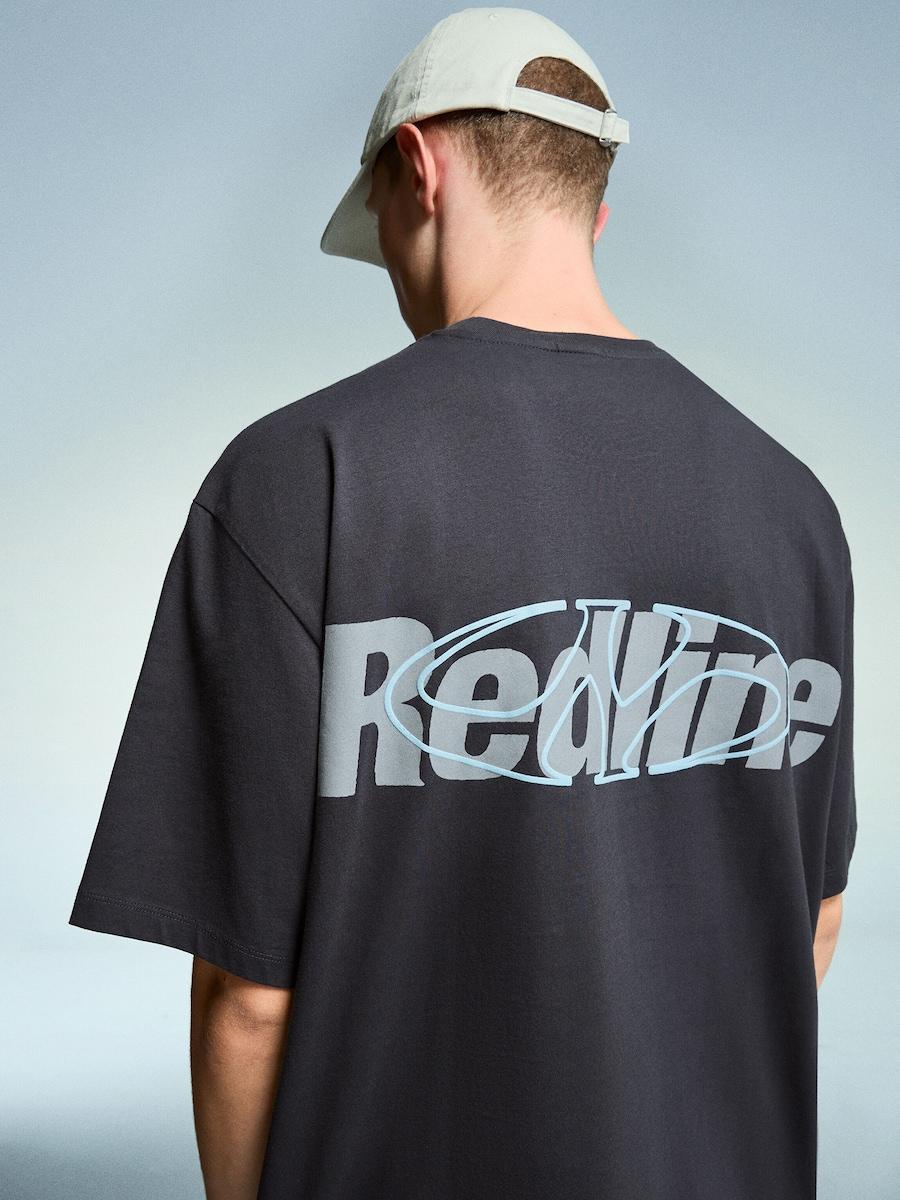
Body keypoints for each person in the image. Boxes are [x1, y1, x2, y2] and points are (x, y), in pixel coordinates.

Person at [69, 8, 857, 1199]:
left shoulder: (301, 479)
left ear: (418, 169)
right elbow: (812, 920)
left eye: (380, 222)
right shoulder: (794, 508)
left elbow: (247, 997)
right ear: (595, 212)